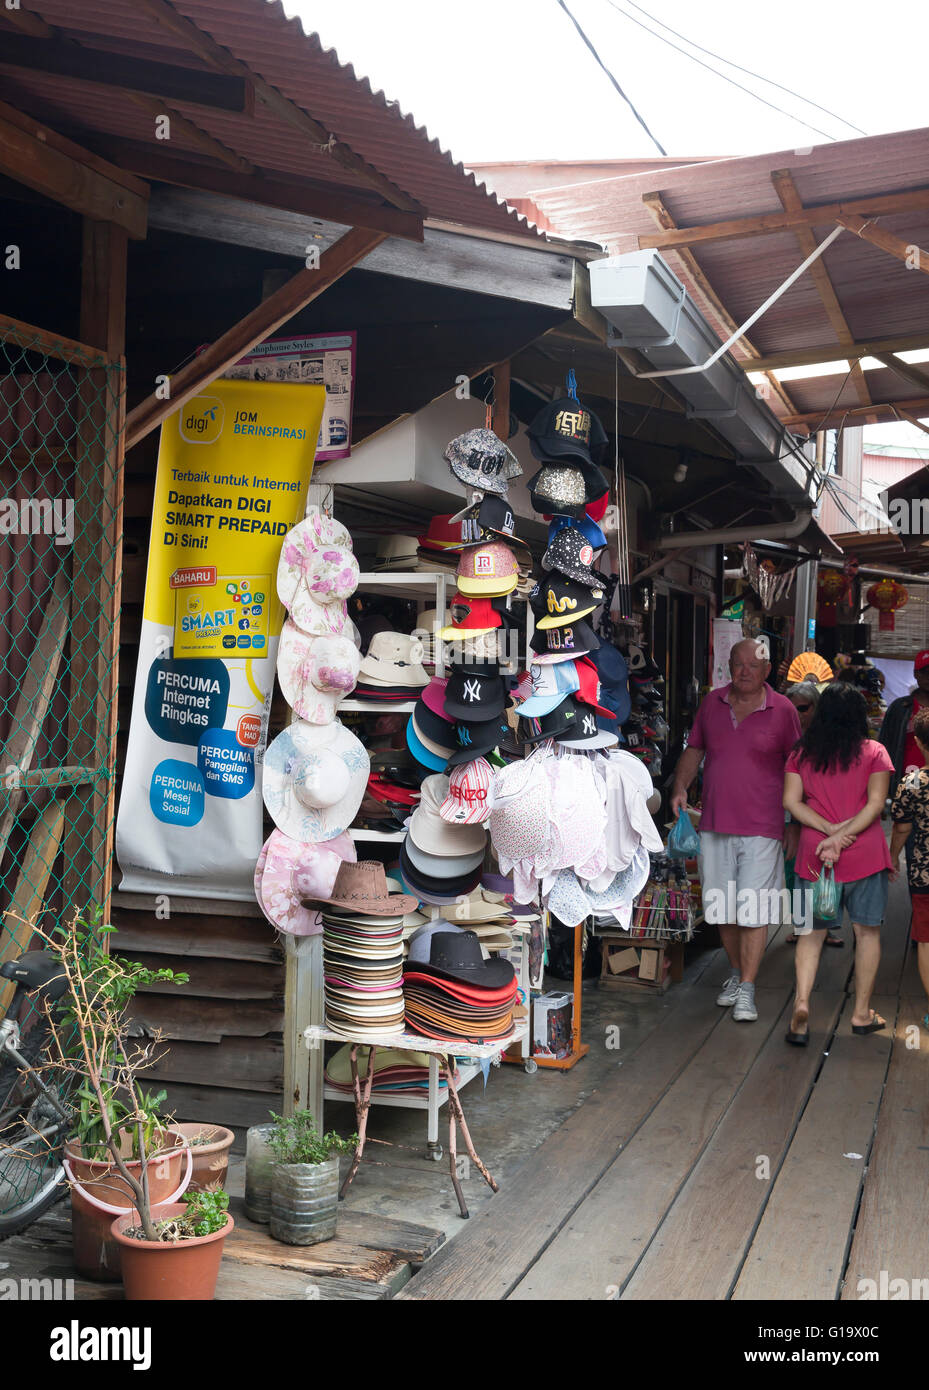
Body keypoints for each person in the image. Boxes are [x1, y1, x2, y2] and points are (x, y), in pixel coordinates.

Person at [671, 638, 801, 1022]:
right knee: (720, 907)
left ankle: (747, 987)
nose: (744, 672)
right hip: (714, 822)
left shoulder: (784, 710)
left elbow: (798, 766)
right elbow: (694, 749)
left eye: (752, 665)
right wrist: (680, 787)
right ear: (729, 666)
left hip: (764, 825)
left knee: (753, 907)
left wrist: (794, 822)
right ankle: (735, 972)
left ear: (766, 670)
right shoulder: (713, 703)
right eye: (737, 664)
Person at [782, 682, 893, 1045]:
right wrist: (842, 836)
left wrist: (828, 832)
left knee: (811, 935)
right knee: (867, 933)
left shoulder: (802, 754)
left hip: (816, 858)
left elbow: (792, 802)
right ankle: (861, 1013)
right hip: (865, 855)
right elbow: (876, 805)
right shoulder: (875, 753)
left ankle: (801, 1006)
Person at [783, 681, 843, 948]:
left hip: (823, 815)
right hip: (791, 811)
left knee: (824, 870)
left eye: (803, 708)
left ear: (816, 709)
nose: (797, 714)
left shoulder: (826, 739)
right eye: (792, 709)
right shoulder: (786, 736)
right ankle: (801, 923)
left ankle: (823, 925)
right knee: (793, 870)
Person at [889, 706, 929, 1030]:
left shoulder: (912, 782)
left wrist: (891, 858)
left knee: (926, 941)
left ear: (919, 741)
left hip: (923, 874)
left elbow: (901, 828)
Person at [879, 649, 929, 796]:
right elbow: (885, 744)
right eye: (924, 672)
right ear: (915, 674)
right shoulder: (900, 708)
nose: (928, 677)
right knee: (910, 810)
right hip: (909, 774)